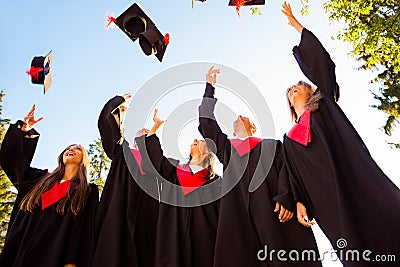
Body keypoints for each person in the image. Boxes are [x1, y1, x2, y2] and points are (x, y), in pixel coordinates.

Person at [281, 2, 400, 265]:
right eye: (290, 89)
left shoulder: (324, 106)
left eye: (299, 85)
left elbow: (322, 62)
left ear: (311, 90)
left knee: (386, 212)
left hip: (352, 174)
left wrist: (297, 26)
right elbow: (293, 175)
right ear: (289, 103)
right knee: (352, 244)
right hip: (325, 196)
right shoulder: (288, 140)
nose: (294, 88)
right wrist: (299, 201)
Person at [198, 67, 322, 266]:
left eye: (244, 117)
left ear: (253, 127)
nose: (239, 116)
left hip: (275, 213)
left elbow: (289, 171)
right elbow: (206, 123)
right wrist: (209, 89)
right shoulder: (227, 150)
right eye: (236, 119)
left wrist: (286, 198)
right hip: (239, 222)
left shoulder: (273, 145)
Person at [0, 105, 98, 267]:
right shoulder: (39, 180)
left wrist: (72, 261)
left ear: (84, 160)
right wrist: (24, 130)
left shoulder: (86, 191)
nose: (71, 149)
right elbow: (11, 163)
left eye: (77, 148)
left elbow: (84, 229)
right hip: (20, 251)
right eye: (68, 148)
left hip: (54, 256)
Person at [135, 109, 221, 267]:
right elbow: (154, 161)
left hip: (205, 244)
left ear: (210, 153)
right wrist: (154, 130)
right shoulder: (173, 170)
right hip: (171, 240)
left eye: (202, 141)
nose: (196, 139)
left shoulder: (217, 183)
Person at [92, 94, 159, 267]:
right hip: (119, 210)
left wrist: (154, 133)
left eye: (148, 134)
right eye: (142, 132)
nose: (145, 133)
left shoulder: (159, 165)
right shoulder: (123, 151)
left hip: (147, 218)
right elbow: (106, 121)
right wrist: (119, 101)